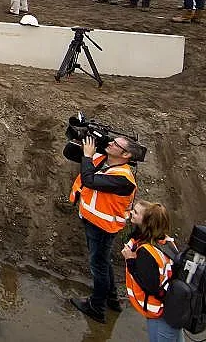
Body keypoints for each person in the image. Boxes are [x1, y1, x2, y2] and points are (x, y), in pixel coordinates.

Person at [68, 134, 138, 324]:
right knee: (103, 261)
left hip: (103, 228)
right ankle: (112, 299)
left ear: (126, 155)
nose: (110, 144)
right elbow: (70, 152)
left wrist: (88, 156)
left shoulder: (123, 179)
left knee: (98, 266)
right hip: (95, 223)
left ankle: (96, 307)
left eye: (116, 144)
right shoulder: (106, 161)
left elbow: (89, 180)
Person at [121, 200, 184, 342]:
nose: (132, 213)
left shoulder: (146, 252)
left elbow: (150, 286)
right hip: (174, 308)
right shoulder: (167, 242)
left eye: (136, 213)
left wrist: (130, 260)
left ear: (147, 222)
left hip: (160, 314)